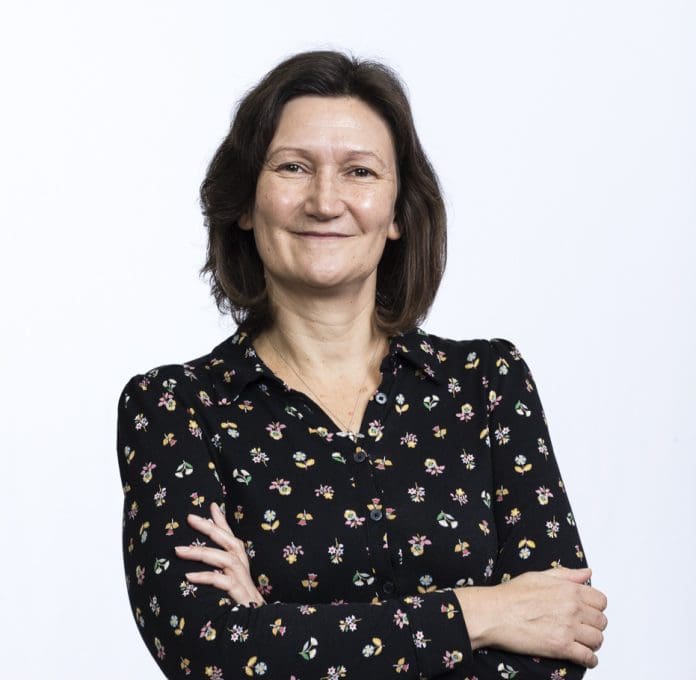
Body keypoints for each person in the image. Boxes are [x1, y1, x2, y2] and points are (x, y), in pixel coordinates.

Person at [116, 49, 608, 679]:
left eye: (360, 173)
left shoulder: (488, 384)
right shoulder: (175, 407)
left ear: (399, 212)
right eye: (293, 167)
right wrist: (482, 612)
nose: (325, 201)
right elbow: (212, 652)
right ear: (244, 202)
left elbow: (562, 634)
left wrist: (277, 625)